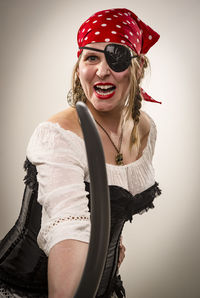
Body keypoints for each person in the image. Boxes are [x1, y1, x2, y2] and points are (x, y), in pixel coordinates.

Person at [0, 8, 162, 298]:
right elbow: (68, 231)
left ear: (138, 68)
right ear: (78, 69)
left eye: (116, 57)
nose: (102, 71)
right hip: (23, 289)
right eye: (91, 58)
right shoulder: (58, 136)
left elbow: (114, 198)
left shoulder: (145, 131)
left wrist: (113, 242)